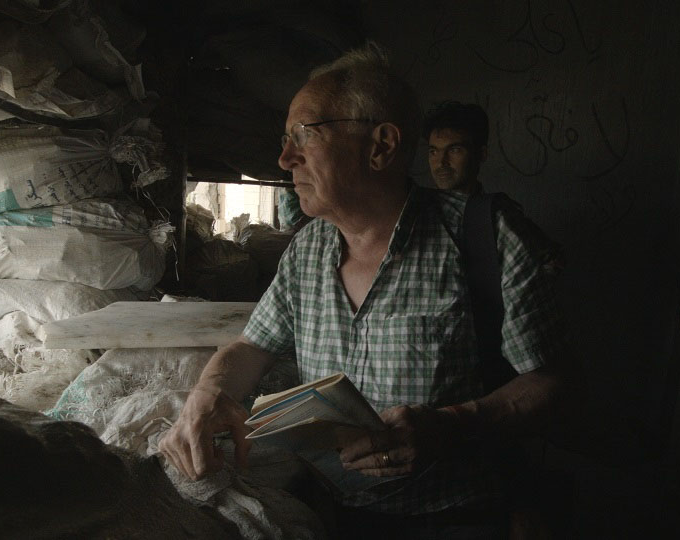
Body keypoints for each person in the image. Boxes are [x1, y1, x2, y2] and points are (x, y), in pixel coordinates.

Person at [160, 42, 565, 538]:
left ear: (381, 146)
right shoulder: (308, 248)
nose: (285, 158)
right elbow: (251, 346)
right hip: (330, 515)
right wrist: (208, 394)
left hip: (455, 516)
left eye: (304, 135)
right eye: (286, 140)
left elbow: (552, 384)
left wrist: (455, 424)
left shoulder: (487, 238)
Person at [424, 101, 489, 194]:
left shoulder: (499, 203)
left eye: (454, 150)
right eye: (433, 152)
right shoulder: (415, 202)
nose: (441, 162)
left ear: (481, 154)